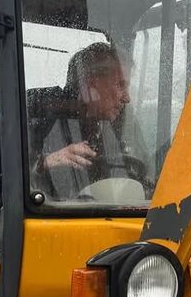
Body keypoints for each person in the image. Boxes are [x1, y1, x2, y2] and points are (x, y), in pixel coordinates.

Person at [28, 41, 147, 201]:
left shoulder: (121, 124)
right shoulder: (37, 110)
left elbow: (140, 171)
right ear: (91, 83)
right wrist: (44, 163)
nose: (127, 98)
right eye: (120, 85)